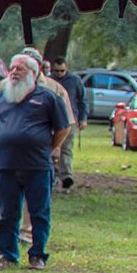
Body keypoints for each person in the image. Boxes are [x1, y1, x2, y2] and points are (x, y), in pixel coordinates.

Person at [0, 53, 72, 270]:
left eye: (20, 69)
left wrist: (47, 148)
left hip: (37, 165)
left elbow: (64, 127)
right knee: (8, 212)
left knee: (38, 212)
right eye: (12, 68)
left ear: (33, 74)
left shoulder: (47, 97)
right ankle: (7, 254)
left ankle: (37, 255)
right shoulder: (2, 96)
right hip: (8, 164)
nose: (14, 72)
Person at [51, 59, 85, 188]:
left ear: (67, 68)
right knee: (52, 148)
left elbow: (82, 100)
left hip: (69, 119)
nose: (59, 73)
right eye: (56, 71)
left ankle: (66, 176)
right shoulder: (48, 81)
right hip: (52, 120)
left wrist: (83, 118)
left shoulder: (75, 80)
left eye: (62, 71)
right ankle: (53, 175)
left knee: (66, 148)